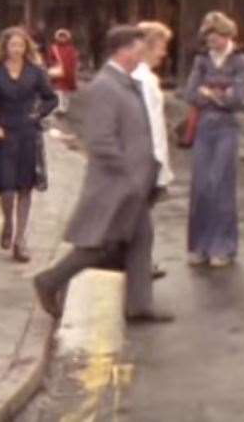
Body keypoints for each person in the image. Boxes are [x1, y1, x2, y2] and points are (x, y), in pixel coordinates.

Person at [33, 26, 173, 323]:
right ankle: (50, 280)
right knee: (101, 245)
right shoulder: (106, 86)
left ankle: (139, 306)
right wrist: (129, 174)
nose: (141, 54)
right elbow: (100, 141)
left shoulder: (125, 82)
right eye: (137, 49)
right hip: (117, 184)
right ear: (122, 51)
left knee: (140, 240)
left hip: (134, 181)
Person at [0, 27, 58, 263]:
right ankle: (8, 222)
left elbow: (51, 98)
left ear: (26, 47)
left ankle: (20, 240)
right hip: (3, 134)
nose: (16, 49)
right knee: (6, 188)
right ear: (5, 47)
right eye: (12, 45)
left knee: (25, 187)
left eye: (20, 45)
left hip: (27, 133)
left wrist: (37, 115)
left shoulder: (35, 72)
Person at [185, 12, 244, 268]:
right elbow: (190, 93)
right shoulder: (201, 61)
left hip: (227, 129)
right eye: (208, 37)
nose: (211, 42)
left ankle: (223, 247)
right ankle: (199, 246)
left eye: (215, 37)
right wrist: (221, 92)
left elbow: (238, 99)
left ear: (227, 35)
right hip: (203, 128)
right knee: (201, 187)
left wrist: (209, 91)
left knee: (221, 186)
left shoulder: (241, 61)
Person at [133, 21, 175, 281]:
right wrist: (156, 164)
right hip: (147, 161)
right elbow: (145, 124)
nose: (164, 53)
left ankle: (141, 264)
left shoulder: (147, 76)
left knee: (140, 219)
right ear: (148, 46)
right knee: (137, 219)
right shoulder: (142, 79)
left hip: (152, 160)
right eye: (161, 46)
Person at [48, 29, 79, 116]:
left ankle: (65, 107)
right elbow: (50, 59)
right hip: (58, 72)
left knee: (66, 92)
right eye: (60, 37)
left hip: (69, 73)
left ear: (67, 38)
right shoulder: (54, 48)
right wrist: (53, 64)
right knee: (59, 90)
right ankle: (60, 107)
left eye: (64, 37)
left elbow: (74, 60)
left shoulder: (71, 49)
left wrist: (74, 69)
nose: (62, 39)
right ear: (57, 38)